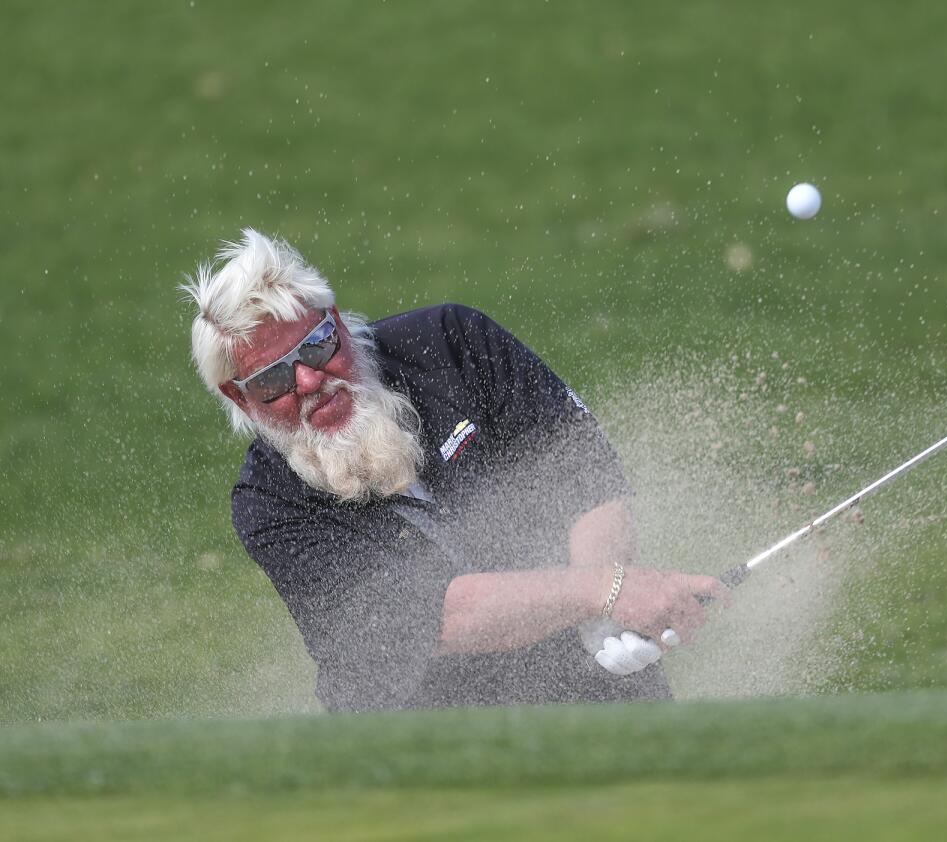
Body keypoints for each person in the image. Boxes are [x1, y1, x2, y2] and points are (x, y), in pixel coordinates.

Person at [183, 229, 726, 710]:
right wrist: (607, 590)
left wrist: (604, 620)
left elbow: (585, 475)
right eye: (274, 380)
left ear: (338, 325)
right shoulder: (268, 505)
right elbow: (433, 616)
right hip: (427, 739)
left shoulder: (450, 341)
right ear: (241, 397)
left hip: (596, 673)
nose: (308, 381)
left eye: (317, 346)